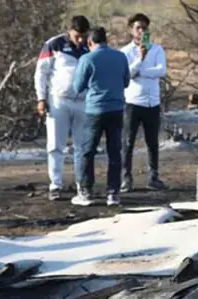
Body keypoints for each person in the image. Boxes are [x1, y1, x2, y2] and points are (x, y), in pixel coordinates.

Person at [33, 15, 91, 201]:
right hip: (59, 101)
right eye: (77, 36)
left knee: (82, 146)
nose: (80, 40)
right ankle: (55, 185)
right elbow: (41, 73)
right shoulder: (54, 44)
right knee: (55, 146)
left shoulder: (90, 46)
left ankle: (81, 184)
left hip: (84, 101)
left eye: (83, 35)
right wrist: (41, 98)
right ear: (69, 31)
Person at [71, 27, 130, 206]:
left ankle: (86, 192)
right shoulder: (120, 57)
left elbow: (78, 86)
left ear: (90, 42)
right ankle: (113, 193)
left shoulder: (87, 58)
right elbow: (126, 82)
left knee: (87, 151)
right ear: (106, 40)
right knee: (114, 151)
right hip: (116, 109)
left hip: (95, 110)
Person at [120, 13, 168, 192]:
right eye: (137, 28)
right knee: (128, 142)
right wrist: (140, 59)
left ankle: (154, 177)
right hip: (132, 102)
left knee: (152, 142)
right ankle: (126, 178)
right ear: (131, 30)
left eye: (144, 28)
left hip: (152, 102)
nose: (141, 31)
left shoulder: (157, 49)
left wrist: (142, 70)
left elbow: (161, 71)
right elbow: (128, 74)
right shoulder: (126, 52)